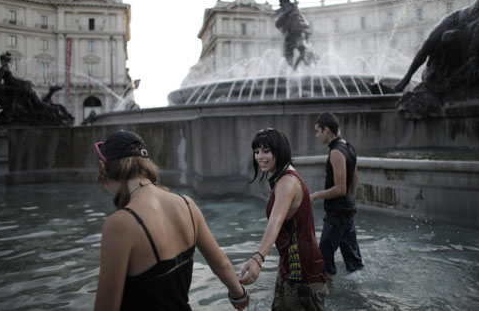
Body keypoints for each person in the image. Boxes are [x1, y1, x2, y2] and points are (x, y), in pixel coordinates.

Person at [93, 130, 249, 311]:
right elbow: (221, 263)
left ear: (105, 169)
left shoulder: (120, 224)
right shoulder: (187, 204)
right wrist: (239, 295)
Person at [239, 128, 327, 310]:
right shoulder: (283, 178)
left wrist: (258, 259)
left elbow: (276, 222)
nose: (259, 157)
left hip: (303, 274)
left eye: (266, 151)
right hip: (291, 267)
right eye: (256, 151)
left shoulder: (287, 182)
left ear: (279, 151)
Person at [310, 112, 364, 277]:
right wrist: (350, 203)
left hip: (336, 216)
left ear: (326, 130)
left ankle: (328, 297)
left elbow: (340, 188)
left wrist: (316, 195)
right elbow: (355, 179)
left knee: (322, 262)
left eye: (318, 131)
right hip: (347, 213)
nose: (317, 135)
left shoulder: (335, 152)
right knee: (354, 264)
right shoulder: (349, 146)